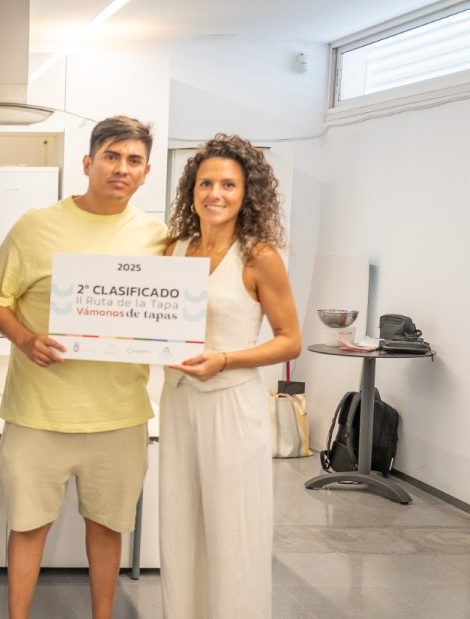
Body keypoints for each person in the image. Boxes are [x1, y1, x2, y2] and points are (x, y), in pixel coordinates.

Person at [0, 116, 167, 619]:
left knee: (108, 528)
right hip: (39, 413)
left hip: (120, 415)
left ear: (146, 171)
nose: (120, 168)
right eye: (111, 156)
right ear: (88, 163)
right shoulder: (36, 226)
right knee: (27, 527)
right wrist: (24, 338)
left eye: (133, 160)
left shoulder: (159, 238)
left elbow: (172, 313)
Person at [159, 134, 300, 619]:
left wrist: (227, 360)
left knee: (232, 530)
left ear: (247, 193)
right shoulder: (173, 250)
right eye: (205, 183)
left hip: (231, 402)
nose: (214, 194)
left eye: (228, 185)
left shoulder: (259, 256)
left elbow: (289, 340)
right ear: (191, 190)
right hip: (178, 400)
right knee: (180, 527)